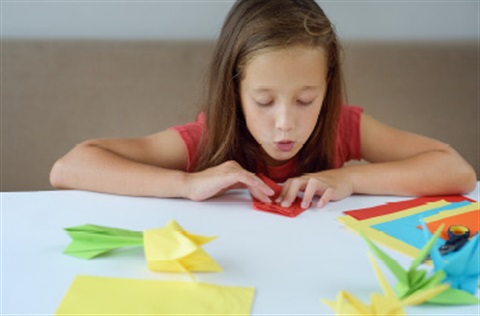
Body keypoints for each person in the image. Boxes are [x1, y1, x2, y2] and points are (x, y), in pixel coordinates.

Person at [50, 0, 476, 209]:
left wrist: (346, 180)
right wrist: (185, 185)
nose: (285, 124)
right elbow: (70, 167)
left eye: (306, 100)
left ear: (328, 90)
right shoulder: (211, 137)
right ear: (235, 91)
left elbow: (456, 170)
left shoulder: (342, 127)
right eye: (264, 101)